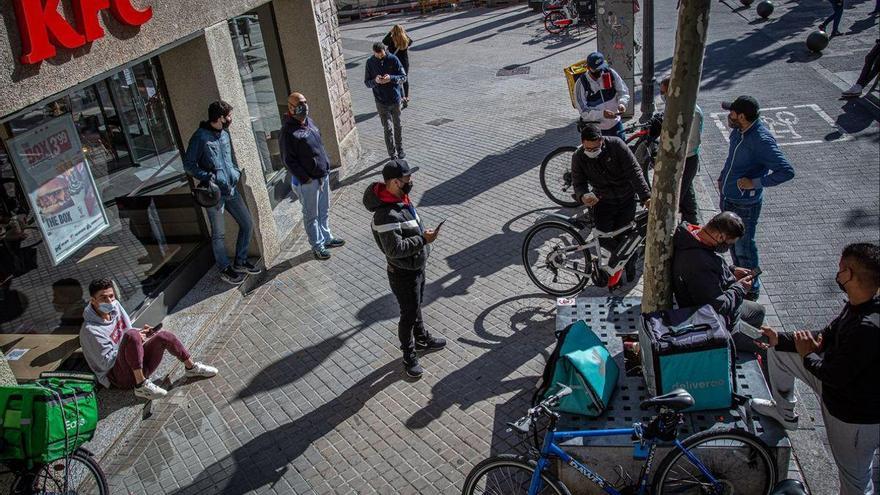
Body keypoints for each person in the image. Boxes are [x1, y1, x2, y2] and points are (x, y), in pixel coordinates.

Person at [751, 243, 879, 495]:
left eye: (841, 269)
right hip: (836, 389)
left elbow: (835, 376)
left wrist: (808, 354)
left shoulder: (868, 328)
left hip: (854, 416)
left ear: (850, 275)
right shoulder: (859, 303)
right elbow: (827, 335)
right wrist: (780, 338)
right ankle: (784, 412)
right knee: (779, 352)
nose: (837, 273)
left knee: (855, 480)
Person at [362, 159, 446, 378]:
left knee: (416, 305)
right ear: (394, 182)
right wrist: (423, 240)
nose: (411, 182)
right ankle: (409, 355)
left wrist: (421, 238)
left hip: (417, 267)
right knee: (408, 314)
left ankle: (421, 338)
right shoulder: (385, 215)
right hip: (403, 273)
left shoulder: (402, 199)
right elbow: (395, 250)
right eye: (407, 179)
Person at [80, 278, 217, 400]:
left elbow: (128, 330)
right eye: (103, 298)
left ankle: (191, 367)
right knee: (132, 335)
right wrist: (134, 339)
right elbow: (105, 363)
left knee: (163, 336)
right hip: (120, 378)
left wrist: (142, 334)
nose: (109, 301)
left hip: (136, 365)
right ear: (93, 300)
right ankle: (141, 386)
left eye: (111, 296)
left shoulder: (115, 306)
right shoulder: (90, 331)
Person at [718, 96, 794, 300]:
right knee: (734, 246)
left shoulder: (761, 140)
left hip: (745, 205)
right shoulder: (738, 133)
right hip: (728, 198)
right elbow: (732, 160)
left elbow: (786, 171)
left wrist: (755, 183)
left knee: (745, 249)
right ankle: (740, 282)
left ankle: (752, 290)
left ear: (741, 116)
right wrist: (723, 177)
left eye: (732, 112)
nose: (729, 115)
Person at [183, 100, 259, 285]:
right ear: (219, 118)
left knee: (247, 224)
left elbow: (229, 158)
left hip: (231, 189)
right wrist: (210, 176)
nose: (230, 119)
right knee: (219, 234)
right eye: (228, 116)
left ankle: (240, 262)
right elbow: (189, 165)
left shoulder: (224, 134)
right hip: (214, 193)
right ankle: (225, 268)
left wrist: (234, 171)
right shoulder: (200, 137)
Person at [571, 124, 650, 283]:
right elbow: (578, 184)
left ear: (602, 140)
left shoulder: (616, 145)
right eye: (589, 149)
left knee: (625, 237)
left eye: (596, 148)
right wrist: (583, 197)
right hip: (602, 201)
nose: (592, 152)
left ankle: (625, 266)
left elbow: (634, 171)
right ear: (583, 143)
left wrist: (646, 196)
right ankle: (628, 258)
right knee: (603, 238)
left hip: (626, 198)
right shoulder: (578, 156)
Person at [671, 211, 766, 340]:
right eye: (729, 244)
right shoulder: (698, 264)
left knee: (758, 310)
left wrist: (731, 271)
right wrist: (740, 288)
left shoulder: (694, 235)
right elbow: (718, 306)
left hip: (721, 301)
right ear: (720, 237)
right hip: (712, 320)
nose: (727, 248)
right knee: (765, 343)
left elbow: (712, 267)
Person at [279, 92, 345, 260]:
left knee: (324, 211)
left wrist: (327, 165)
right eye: (300, 104)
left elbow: (319, 146)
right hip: (307, 182)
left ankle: (327, 238)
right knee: (311, 215)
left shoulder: (310, 122)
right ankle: (317, 245)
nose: (304, 106)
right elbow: (288, 160)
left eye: (305, 102)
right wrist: (306, 178)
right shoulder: (287, 131)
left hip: (322, 176)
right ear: (291, 108)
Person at [659, 76, 704, 225]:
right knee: (687, 195)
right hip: (681, 159)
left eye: (664, 93)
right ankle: (692, 224)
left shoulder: (691, 113)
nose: (663, 96)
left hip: (685, 159)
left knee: (677, 196)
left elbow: (686, 142)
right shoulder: (676, 106)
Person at [574, 51, 630, 141]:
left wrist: (622, 103)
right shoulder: (581, 83)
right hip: (597, 129)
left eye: (601, 68)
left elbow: (623, 91)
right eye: (596, 70)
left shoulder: (610, 73)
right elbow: (583, 110)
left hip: (615, 124)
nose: (600, 72)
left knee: (621, 151)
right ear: (588, 68)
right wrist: (602, 114)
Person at [364, 42, 407, 160]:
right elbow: (367, 83)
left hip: (395, 99)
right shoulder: (370, 62)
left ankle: (400, 149)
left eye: (381, 55)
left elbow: (403, 77)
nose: (379, 57)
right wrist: (375, 81)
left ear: (385, 50)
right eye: (377, 55)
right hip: (380, 101)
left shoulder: (393, 59)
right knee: (387, 128)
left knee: (398, 125)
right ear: (374, 53)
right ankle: (392, 154)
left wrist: (391, 78)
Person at [383, 25, 413, 108]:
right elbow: (411, 42)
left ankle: (401, 97)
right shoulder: (405, 39)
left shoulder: (391, 40)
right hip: (404, 62)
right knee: (405, 79)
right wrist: (403, 33)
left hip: (394, 63)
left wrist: (390, 32)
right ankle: (406, 97)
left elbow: (384, 41)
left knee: (396, 80)